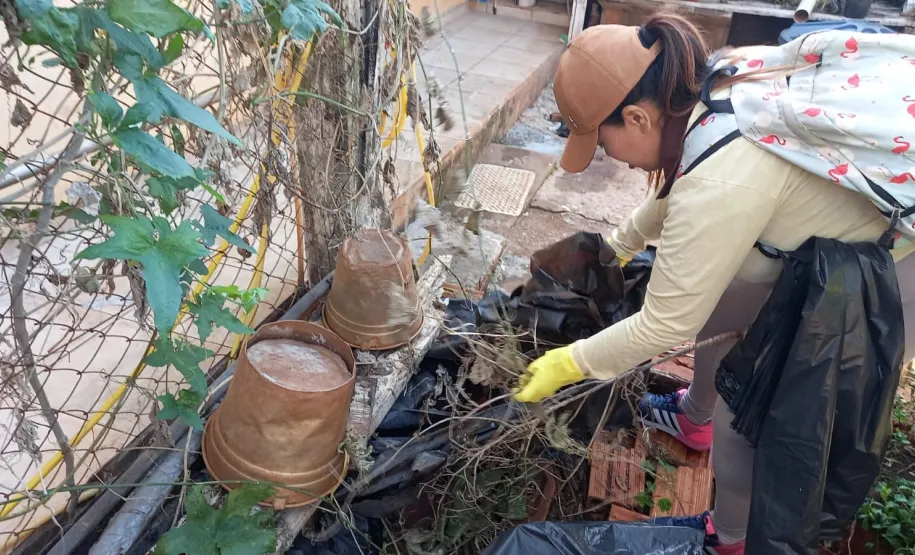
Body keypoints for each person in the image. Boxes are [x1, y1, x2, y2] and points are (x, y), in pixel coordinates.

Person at [512, 14, 915, 555]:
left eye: (603, 146)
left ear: (635, 117)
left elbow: (664, 322)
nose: (610, 160)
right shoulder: (713, 80)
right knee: (721, 305)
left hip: (894, 262)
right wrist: (622, 243)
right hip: (824, 219)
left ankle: (730, 539)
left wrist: (569, 363)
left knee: (749, 410)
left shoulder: (720, 183)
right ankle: (692, 419)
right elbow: (685, 171)